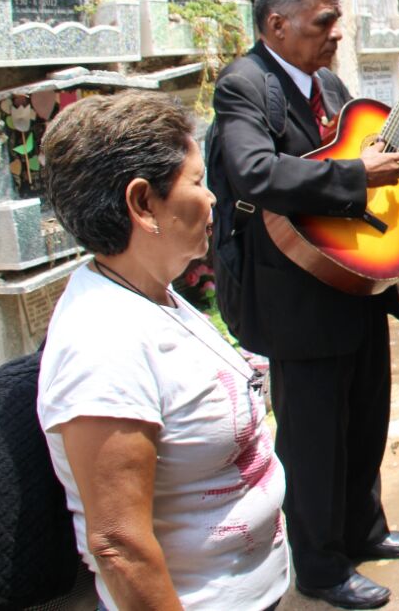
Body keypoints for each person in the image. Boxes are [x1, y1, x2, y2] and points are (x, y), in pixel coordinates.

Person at [206, 0, 399, 610]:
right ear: (276, 25)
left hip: (353, 273)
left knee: (365, 415)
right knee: (314, 438)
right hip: (295, 290)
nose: (336, 33)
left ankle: (362, 531)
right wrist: (353, 174)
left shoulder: (326, 82)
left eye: (336, 19)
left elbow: (377, 147)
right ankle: (319, 567)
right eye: (324, 21)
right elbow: (253, 171)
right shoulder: (245, 85)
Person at [37, 90, 288, 610]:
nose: (213, 196)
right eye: (197, 182)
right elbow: (119, 545)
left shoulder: (151, 292)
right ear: (142, 204)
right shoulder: (102, 343)